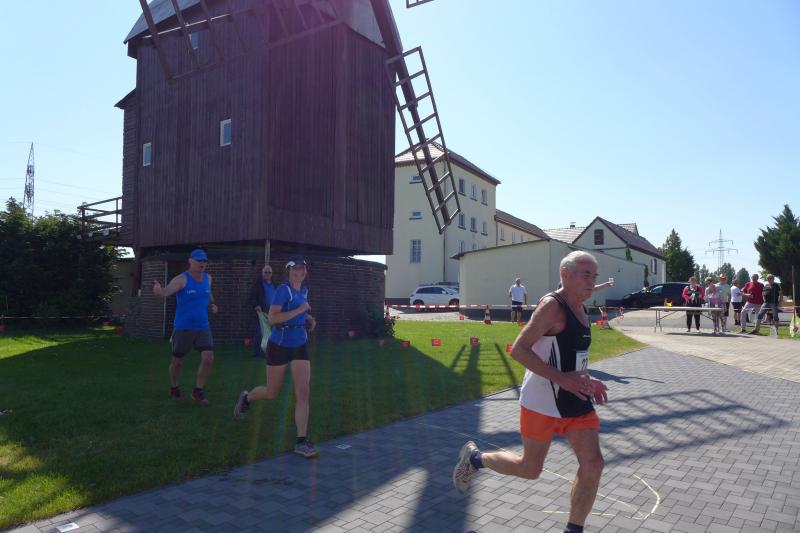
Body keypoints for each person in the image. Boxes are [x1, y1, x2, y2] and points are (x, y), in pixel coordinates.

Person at [453, 251, 608, 533]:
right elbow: (519, 350)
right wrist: (562, 379)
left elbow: (572, 358)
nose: (592, 282)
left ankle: (573, 529)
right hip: (541, 403)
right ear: (565, 274)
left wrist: (589, 379)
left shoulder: (581, 309)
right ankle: (475, 459)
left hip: (576, 401)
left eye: (594, 276)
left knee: (593, 464)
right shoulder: (552, 307)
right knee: (530, 469)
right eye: (586, 275)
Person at [233, 257, 319, 458]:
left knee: (303, 393)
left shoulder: (303, 290)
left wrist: (307, 318)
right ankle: (247, 397)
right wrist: (300, 310)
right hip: (279, 345)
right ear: (289, 271)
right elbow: (273, 318)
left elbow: (296, 312)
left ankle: (301, 441)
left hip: (300, 344)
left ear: (305, 272)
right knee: (271, 392)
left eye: (302, 269)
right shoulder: (283, 290)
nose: (298, 272)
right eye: (295, 269)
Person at [152, 249, 218, 405]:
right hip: (183, 327)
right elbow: (165, 292)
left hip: (203, 327)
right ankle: (174, 387)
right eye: (199, 260)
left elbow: (208, 293)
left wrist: (213, 304)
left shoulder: (208, 278)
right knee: (177, 362)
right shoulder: (181, 279)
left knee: (209, 358)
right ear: (190, 261)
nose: (202, 263)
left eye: (204, 261)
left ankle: (198, 391)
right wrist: (159, 291)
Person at [247, 265, 276, 358]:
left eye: (269, 272)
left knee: (271, 333)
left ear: (272, 274)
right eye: (265, 272)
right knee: (259, 332)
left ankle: (268, 351)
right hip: (262, 312)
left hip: (273, 312)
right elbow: (252, 297)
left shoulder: (275, 285)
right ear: (262, 273)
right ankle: (257, 353)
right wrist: (256, 305)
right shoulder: (258, 284)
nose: (267, 274)